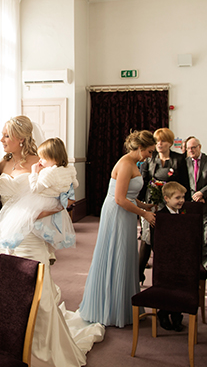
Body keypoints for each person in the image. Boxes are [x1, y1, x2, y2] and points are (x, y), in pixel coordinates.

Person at [0, 115, 104, 367]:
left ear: (21, 139)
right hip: (6, 238)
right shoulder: (2, 163)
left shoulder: (40, 163)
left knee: (36, 292)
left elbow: (63, 201)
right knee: (3, 290)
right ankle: (4, 346)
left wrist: (30, 215)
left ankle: (40, 351)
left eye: (6, 135)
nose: (1, 139)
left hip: (31, 237)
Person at [79, 130, 157, 328]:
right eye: (149, 151)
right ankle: (110, 308)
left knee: (125, 254)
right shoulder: (125, 164)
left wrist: (144, 205)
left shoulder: (133, 163)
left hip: (126, 213)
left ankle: (123, 305)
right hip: (117, 213)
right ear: (140, 148)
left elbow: (129, 195)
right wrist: (144, 214)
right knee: (116, 253)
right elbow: (120, 199)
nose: (150, 156)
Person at [0, 136, 77, 251]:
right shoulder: (68, 169)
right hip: (43, 202)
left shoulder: (46, 171)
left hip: (39, 202)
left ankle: (12, 241)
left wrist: (34, 172)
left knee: (23, 222)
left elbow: (35, 188)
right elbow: (74, 185)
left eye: (7, 136)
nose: (40, 160)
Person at [138, 128, 188, 284]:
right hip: (151, 203)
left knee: (166, 239)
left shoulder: (179, 159)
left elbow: (184, 183)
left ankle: (166, 274)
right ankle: (139, 274)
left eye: (163, 141)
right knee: (146, 238)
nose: (159, 144)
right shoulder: (150, 159)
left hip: (171, 205)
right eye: (157, 141)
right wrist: (140, 205)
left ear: (170, 143)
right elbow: (143, 182)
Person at [155, 181, 188, 332]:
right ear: (167, 199)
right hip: (165, 260)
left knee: (179, 287)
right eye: (177, 198)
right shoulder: (160, 216)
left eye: (183, 197)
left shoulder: (184, 214)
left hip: (181, 258)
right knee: (167, 287)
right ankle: (163, 313)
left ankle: (176, 315)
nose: (181, 200)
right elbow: (157, 241)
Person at [184, 136, 207, 272]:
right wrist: (195, 197)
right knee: (192, 235)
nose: (191, 150)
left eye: (193, 147)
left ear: (199, 147)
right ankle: (194, 263)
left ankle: (206, 265)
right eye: (188, 148)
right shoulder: (185, 162)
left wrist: (202, 194)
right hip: (191, 204)